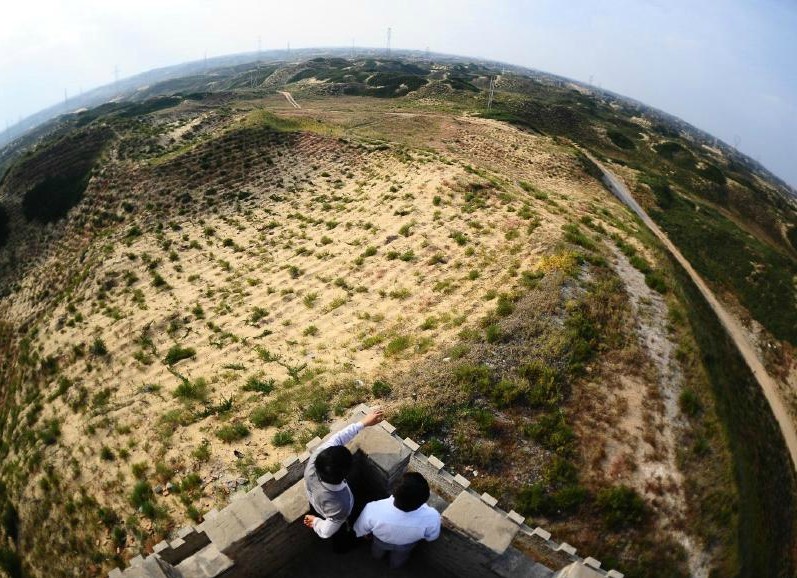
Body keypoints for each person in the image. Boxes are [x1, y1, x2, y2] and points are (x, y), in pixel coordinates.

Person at [303, 408, 384, 549]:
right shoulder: (340, 505)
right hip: (332, 516)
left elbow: (338, 438)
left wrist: (363, 423)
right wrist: (316, 522)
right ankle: (345, 547)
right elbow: (326, 531)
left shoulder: (316, 459)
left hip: (316, 503)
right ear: (346, 473)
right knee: (341, 537)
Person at [353, 472, 441, 568]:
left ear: (393, 492)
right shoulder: (432, 516)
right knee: (400, 557)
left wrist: (365, 534)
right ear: (424, 499)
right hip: (406, 545)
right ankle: (395, 565)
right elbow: (431, 537)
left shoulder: (373, 508)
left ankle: (376, 558)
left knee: (377, 550)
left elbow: (361, 528)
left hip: (381, 541)